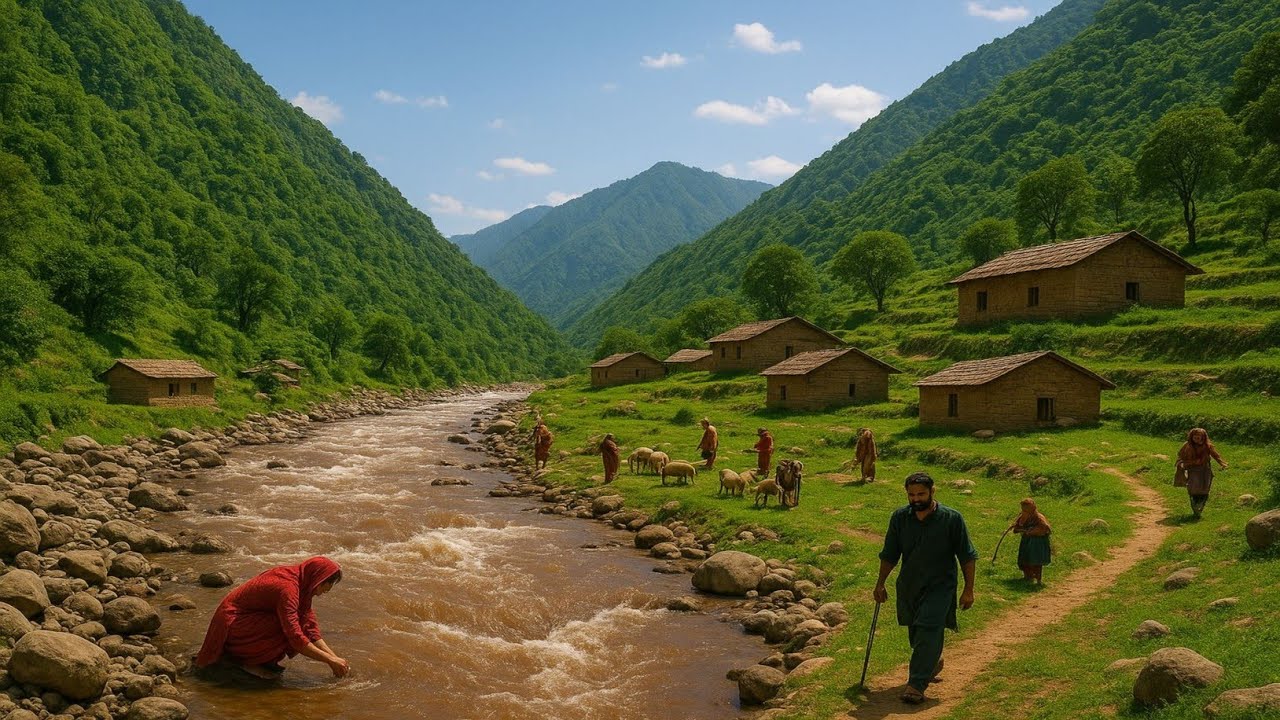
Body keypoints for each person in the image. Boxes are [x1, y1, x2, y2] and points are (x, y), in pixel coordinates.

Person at [873, 472, 978, 705]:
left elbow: (967, 556)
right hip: (910, 585)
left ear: (932, 492)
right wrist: (880, 583)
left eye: (921, 494)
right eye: (911, 495)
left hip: (941, 585)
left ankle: (916, 684)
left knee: (929, 626)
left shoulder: (952, 519)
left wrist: (969, 589)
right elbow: (890, 554)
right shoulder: (900, 518)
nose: (916, 499)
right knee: (917, 633)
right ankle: (931, 662)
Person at [196, 557, 349, 680]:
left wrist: (335, 658)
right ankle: (246, 661)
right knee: (286, 627)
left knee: (298, 621)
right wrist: (329, 661)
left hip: (248, 620)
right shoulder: (288, 588)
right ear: (317, 579)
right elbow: (294, 635)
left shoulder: (302, 582)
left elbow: (309, 625)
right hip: (232, 624)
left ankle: (256, 657)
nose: (321, 594)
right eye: (323, 589)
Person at [1177, 427, 1228, 518]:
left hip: (1205, 470)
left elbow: (1215, 455)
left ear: (1203, 437)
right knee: (1193, 486)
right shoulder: (1187, 445)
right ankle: (1195, 503)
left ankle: (1200, 505)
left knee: (1205, 487)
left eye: (1199, 437)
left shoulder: (1208, 446)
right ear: (1191, 437)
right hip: (1193, 470)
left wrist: (1222, 463)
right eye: (1195, 437)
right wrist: (1181, 464)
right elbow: (1180, 456)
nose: (1197, 439)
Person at [1012, 498, 1051, 584]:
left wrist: (1031, 531)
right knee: (1025, 560)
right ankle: (1028, 577)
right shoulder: (1022, 516)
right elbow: (1016, 529)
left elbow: (1045, 528)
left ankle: (1038, 579)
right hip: (1026, 542)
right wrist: (1021, 529)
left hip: (1037, 543)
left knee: (1036, 561)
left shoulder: (1039, 517)